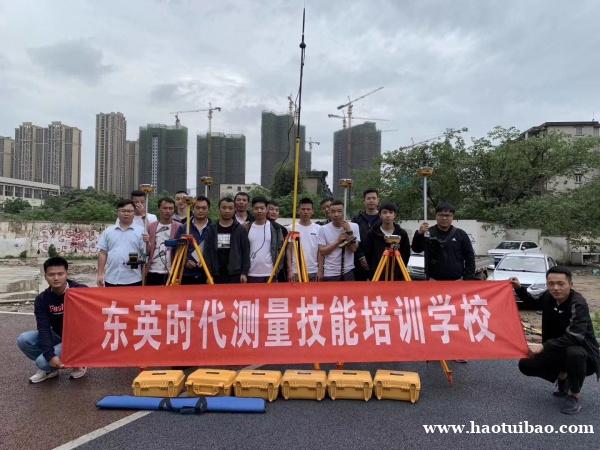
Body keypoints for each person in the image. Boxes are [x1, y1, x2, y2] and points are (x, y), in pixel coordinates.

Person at [513, 267, 599, 415]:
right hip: (557, 348)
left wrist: (543, 346)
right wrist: (519, 289)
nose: (555, 288)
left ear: (570, 284)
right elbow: (533, 304)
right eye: (551, 283)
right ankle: (562, 375)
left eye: (560, 283)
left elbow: (575, 336)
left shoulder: (578, 303)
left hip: (584, 354)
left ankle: (574, 394)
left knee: (574, 353)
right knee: (525, 364)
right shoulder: (548, 296)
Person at [17, 257, 87, 383]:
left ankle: (79, 362)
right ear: (45, 276)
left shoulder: (81, 291)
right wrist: (50, 356)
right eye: (51, 274)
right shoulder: (42, 299)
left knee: (41, 362)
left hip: (78, 340)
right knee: (23, 339)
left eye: (60, 274)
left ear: (66, 274)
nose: (56, 278)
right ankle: (50, 369)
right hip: (57, 335)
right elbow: (43, 329)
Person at [411, 202, 475, 280]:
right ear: (436, 216)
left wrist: (467, 278)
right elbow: (416, 249)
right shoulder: (428, 233)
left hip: (457, 281)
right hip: (433, 280)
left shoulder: (461, 234)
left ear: (452, 216)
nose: (444, 218)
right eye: (441, 215)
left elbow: (470, 257)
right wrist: (419, 234)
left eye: (447, 215)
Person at [97, 199, 147, 287]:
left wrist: (148, 243)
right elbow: (103, 253)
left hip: (133, 278)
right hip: (112, 278)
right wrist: (100, 274)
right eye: (123, 211)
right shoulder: (108, 231)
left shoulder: (141, 231)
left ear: (134, 213)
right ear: (118, 212)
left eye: (129, 211)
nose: (126, 213)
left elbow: (145, 253)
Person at [174, 195, 217, 284]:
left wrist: (207, 261)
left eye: (204, 208)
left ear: (208, 210)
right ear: (192, 209)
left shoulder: (214, 228)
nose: (200, 210)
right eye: (197, 208)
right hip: (187, 274)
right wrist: (186, 261)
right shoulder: (184, 228)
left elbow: (218, 251)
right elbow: (176, 249)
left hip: (208, 275)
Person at [363, 203, 411, 280]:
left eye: (391, 212)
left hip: (396, 275)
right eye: (384, 212)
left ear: (395, 215)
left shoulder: (402, 233)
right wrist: (373, 268)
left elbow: (406, 254)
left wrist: (400, 270)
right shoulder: (372, 233)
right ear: (380, 215)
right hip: (377, 274)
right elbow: (367, 253)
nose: (388, 215)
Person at [210, 197, 250, 283]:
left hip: (235, 273)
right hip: (216, 273)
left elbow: (245, 252)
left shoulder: (240, 229)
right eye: (224, 208)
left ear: (235, 209)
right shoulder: (212, 228)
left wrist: (244, 272)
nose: (227, 211)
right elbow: (207, 251)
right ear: (219, 209)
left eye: (230, 208)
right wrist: (208, 272)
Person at [318, 200, 360, 281]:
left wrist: (349, 232)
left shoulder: (354, 226)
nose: (336, 214)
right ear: (329, 213)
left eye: (339, 211)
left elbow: (354, 249)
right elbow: (322, 251)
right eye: (333, 212)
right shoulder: (323, 229)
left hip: (348, 271)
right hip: (330, 272)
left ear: (344, 212)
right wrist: (338, 241)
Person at [144, 197, 181, 286]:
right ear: (159, 209)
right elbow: (147, 250)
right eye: (165, 208)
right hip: (153, 270)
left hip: (171, 271)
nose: (168, 211)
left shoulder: (179, 227)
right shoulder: (151, 226)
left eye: (170, 208)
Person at [246, 196, 284, 283]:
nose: (259, 211)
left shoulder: (276, 228)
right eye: (256, 208)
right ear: (252, 210)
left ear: (267, 209)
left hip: (271, 273)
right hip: (251, 273)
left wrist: (278, 268)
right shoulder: (247, 228)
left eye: (262, 208)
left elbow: (281, 249)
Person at [286, 197, 321, 281]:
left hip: (313, 271)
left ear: (312, 211)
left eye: (308, 209)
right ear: (298, 211)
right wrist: (290, 270)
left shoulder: (318, 229)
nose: (305, 212)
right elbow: (289, 250)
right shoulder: (292, 228)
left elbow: (320, 251)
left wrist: (320, 270)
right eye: (303, 209)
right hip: (296, 271)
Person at [353, 189, 381, 281]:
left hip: (379, 262)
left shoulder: (383, 219)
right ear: (364, 201)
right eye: (368, 198)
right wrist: (361, 256)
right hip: (359, 262)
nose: (371, 200)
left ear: (378, 200)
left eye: (374, 198)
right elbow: (353, 240)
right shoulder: (356, 220)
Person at [267, 199, 288, 281]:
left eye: (277, 210)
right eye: (271, 209)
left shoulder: (282, 229)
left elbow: (284, 250)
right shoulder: (258, 225)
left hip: (278, 266)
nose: (274, 212)